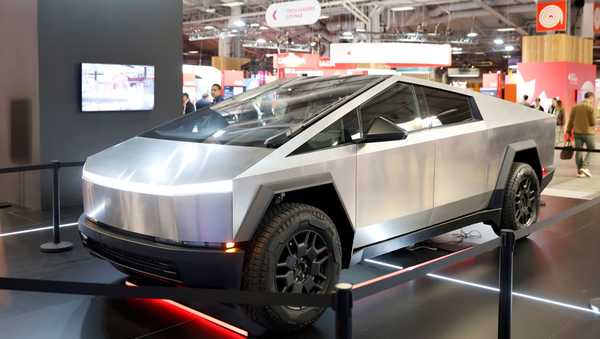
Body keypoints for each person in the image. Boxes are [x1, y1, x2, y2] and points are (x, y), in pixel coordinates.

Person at [566, 92, 596, 178]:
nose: (592, 101)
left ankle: (580, 171)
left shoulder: (575, 107)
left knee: (578, 151)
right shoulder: (590, 107)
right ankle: (585, 167)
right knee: (592, 149)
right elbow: (592, 122)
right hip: (588, 133)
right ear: (590, 97)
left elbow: (571, 120)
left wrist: (568, 131)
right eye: (592, 99)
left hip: (577, 132)